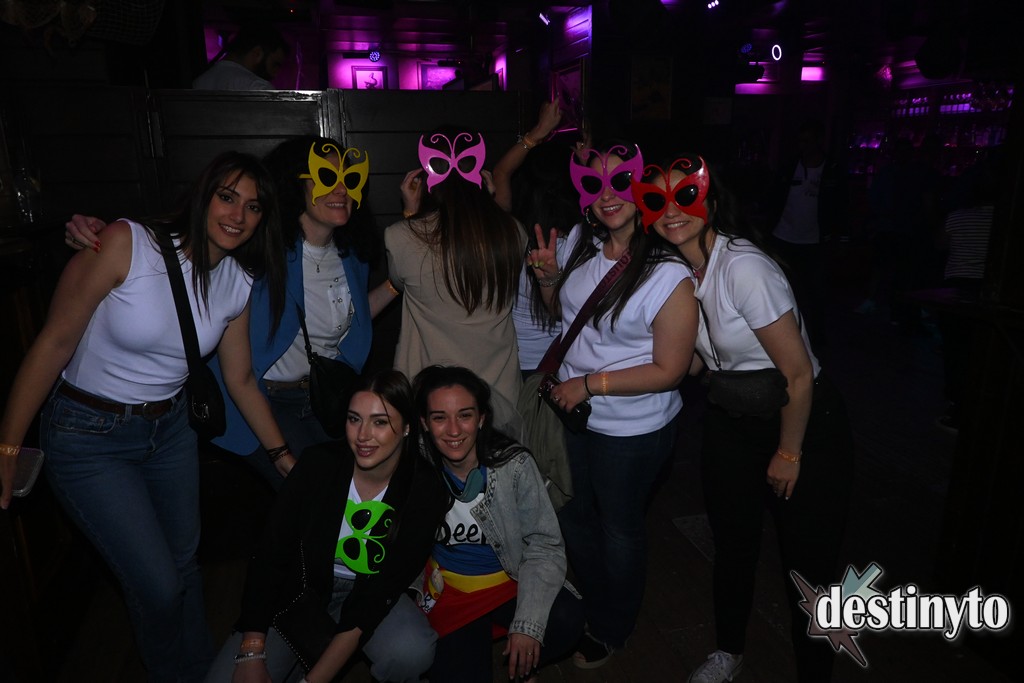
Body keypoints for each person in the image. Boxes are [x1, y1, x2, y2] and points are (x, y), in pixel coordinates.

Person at [0, 151, 290, 682]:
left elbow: (241, 379)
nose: (238, 215)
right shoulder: (128, 244)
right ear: (203, 196)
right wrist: (8, 446)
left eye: (253, 207)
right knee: (158, 586)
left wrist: (283, 456)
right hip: (88, 436)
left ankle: (199, 673)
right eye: (227, 197)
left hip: (170, 430)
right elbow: (54, 343)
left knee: (185, 567)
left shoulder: (239, 280)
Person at [65, 136, 400, 490]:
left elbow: (351, 319)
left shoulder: (352, 255)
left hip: (321, 397)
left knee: (360, 483)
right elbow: (188, 244)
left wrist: (397, 284)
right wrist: (97, 235)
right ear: (294, 183)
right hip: (264, 397)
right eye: (327, 177)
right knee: (320, 493)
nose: (341, 189)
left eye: (349, 178)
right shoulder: (257, 252)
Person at [638, 153, 853, 683]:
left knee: (808, 561)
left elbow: (797, 374)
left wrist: (789, 452)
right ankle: (728, 653)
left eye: (686, 196)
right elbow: (696, 361)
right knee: (733, 544)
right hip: (732, 418)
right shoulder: (681, 272)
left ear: (711, 202)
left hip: (800, 419)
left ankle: (815, 674)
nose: (672, 211)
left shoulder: (743, 267)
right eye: (658, 200)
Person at [528, 141, 696, 667]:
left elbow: (670, 370)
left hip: (633, 428)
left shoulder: (667, 273)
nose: (607, 195)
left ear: (641, 187)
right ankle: (598, 598)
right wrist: (548, 278)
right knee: (573, 512)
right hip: (574, 413)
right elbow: (567, 319)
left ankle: (611, 627)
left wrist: (590, 384)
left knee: (618, 527)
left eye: (620, 182)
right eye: (594, 183)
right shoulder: (582, 242)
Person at [204, 369, 449, 683]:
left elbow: (373, 599)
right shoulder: (318, 465)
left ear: (406, 428)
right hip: (300, 590)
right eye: (354, 419)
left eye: (380, 422)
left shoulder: (424, 489)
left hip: (369, 593)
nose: (363, 435)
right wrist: (252, 649)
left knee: (411, 650)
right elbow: (270, 555)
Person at [412, 365, 584, 683]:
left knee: (566, 618)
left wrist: (528, 625)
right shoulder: (415, 466)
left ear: (482, 418)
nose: (453, 430)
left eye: (464, 415)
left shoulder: (513, 466)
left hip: (509, 583)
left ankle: (523, 665)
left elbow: (545, 544)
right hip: (451, 592)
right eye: (439, 417)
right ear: (424, 423)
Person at [386, 129, 526, 435]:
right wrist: (491, 206)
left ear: (426, 181)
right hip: (498, 395)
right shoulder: (513, 232)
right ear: (481, 178)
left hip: (431, 400)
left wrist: (410, 215)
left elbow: (399, 280)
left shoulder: (399, 237)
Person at [490, 98, 580, 376]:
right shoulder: (583, 237)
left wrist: (537, 133)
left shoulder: (512, 230)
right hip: (561, 362)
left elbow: (501, 173)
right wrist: (585, 160)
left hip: (515, 359)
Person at [769, 118, 846, 348]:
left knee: (816, 292)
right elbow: (773, 196)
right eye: (801, 141)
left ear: (819, 141)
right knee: (784, 289)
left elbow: (841, 207)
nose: (804, 146)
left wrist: (839, 239)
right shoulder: (790, 166)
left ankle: (817, 340)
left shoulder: (832, 170)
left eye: (809, 141)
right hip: (783, 237)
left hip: (815, 241)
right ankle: (785, 336)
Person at [193, 22, 289, 91]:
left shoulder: (199, 82)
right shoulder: (258, 87)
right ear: (257, 53)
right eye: (275, 64)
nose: (275, 74)